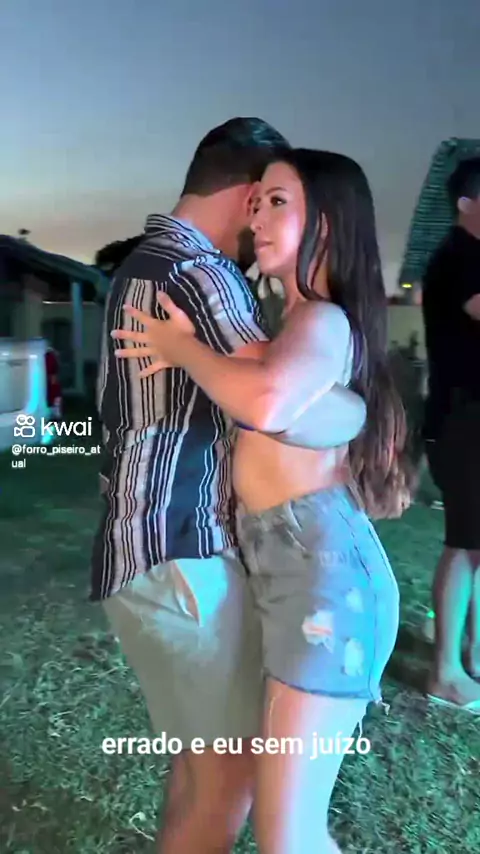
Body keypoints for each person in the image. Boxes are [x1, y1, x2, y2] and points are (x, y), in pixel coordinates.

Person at [112, 147, 411, 854]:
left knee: (288, 835)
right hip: (293, 582)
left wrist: (179, 348)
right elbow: (289, 408)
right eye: (256, 203)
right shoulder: (293, 328)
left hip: (327, 587)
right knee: (282, 828)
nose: (258, 218)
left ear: (327, 224)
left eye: (279, 202)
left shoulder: (322, 321)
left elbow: (267, 401)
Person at [421, 157, 480, 712]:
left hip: (468, 417)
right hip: (462, 421)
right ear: (466, 203)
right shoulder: (459, 257)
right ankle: (445, 671)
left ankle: (473, 653)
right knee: (464, 541)